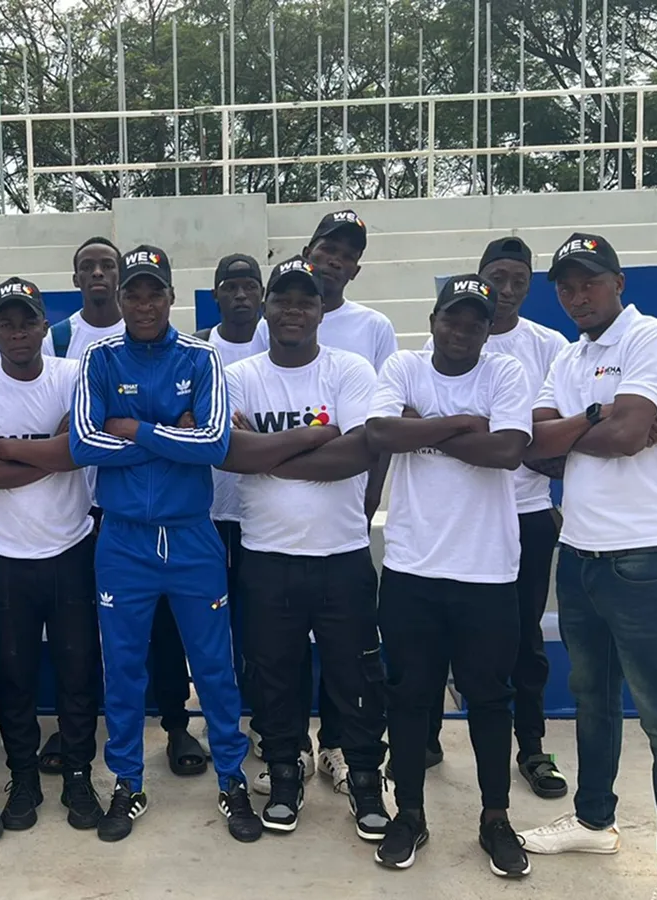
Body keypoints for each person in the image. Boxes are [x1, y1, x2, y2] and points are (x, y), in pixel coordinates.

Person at [518, 234, 657, 900]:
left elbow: (626, 438)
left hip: (645, 557)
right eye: (566, 287)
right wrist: (601, 414)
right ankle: (595, 820)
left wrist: (579, 429)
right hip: (580, 553)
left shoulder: (651, 338)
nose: (578, 296)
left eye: (590, 282)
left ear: (618, 283)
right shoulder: (569, 356)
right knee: (592, 699)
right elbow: (535, 445)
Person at [71, 244, 261, 844]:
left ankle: (231, 779)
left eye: (155, 293)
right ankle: (127, 782)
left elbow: (215, 444)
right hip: (123, 539)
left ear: (173, 297)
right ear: (120, 298)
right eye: (133, 293)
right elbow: (82, 443)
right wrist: (169, 436)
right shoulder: (100, 358)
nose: (145, 303)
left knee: (214, 666)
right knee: (123, 669)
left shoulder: (202, 358)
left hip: (190, 536)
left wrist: (133, 429)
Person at [366, 275, 533, 878]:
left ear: (489, 330)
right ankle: (409, 813)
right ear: (432, 319)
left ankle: (495, 818)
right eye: (451, 319)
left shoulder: (505, 372)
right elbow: (380, 433)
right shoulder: (404, 366)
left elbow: (508, 451)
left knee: (489, 699)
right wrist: (466, 424)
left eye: (475, 323)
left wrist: (427, 426)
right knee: (409, 696)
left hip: (487, 570)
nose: (461, 331)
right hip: (412, 566)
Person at [219, 257, 389, 839]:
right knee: (274, 676)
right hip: (267, 554)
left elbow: (359, 452)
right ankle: (285, 776)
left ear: (321, 310)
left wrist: (269, 453)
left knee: (356, 675)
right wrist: (315, 438)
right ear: (266, 308)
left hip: (341, 553)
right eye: (283, 299)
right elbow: (230, 453)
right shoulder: (240, 375)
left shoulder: (350, 369)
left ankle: (365, 780)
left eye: (305, 300)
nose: (293, 309)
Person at [40, 237, 208, 777]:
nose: (97, 273)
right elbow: (75, 428)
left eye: (106, 265)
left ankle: (177, 724)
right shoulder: (62, 338)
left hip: (157, 503)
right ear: (78, 278)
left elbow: (200, 434)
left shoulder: (169, 343)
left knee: (166, 625)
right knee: (94, 630)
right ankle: (80, 727)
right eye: (87, 266)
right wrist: (168, 433)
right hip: (87, 502)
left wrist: (135, 430)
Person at [416, 237, 570, 798]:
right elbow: (414, 424)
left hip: (525, 512)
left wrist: (500, 440)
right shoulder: (443, 343)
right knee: (435, 635)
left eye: (518, 281)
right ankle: (426, 738)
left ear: (530, 285)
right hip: (456, 512)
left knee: (524, 638)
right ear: (478, 279)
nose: (506, 291)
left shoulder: (549, 346)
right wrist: (496, 435)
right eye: (497, 278)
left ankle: (531, 747)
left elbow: (547, 439)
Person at [0, 277, 104, 831]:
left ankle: (78, 776)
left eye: (27, 322)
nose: (18, 333)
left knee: (78, 671)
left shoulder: (73, 376)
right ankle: (22, 777)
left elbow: (81, 450)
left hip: (71, 547)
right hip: (5, 555)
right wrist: (51, 451)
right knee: (13, 675)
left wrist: (9, 450)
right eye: (6, 323)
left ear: (45, 326)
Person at [266, 210, 399, 794]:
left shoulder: (371, 330)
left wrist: (370, 489)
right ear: (309, 251)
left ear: (356, 268)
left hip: (344, 513)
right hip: (273, 524)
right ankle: (288, 750)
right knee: (280, 652)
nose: (335, 259)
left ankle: (340, 747)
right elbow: (241, 435)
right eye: (328, 248)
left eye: (348, 253)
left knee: (348, 655)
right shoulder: (274, 324)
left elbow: (374, 432)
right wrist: (313, 441)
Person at [195, 253, 281, 790]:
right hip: (209, 509)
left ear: (263, 295)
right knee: (213, 628)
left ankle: (269, 725)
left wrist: (254, 438)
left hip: (263, 511)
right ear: (217, 295)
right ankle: (219, 719)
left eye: (251, 285)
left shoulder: (278, 346)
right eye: (231, 286)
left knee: (263, 628)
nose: (242, 295)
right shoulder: (200, 348)